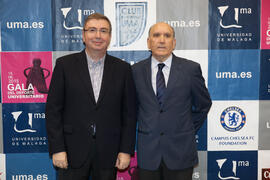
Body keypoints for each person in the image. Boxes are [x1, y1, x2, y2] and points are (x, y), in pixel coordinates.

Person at [45, 13, 137, 180]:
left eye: (103, 31)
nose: (98, 35)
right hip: (71, 152)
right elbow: (53, 111)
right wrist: (57, 148)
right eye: (92, 30)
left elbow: (129, 115)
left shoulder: (123, 69)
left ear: (109, 36)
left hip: (108, 152)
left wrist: (125, 150)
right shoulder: (64, 65)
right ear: (83, 35)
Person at [132, 22, 212, 180]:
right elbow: (131, 109)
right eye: (156, 35)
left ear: (174, 43)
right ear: (149, 42)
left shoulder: (191, 69)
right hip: (148, 154)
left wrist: (185, 128)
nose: (161, 40)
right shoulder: (135, 71)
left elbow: (203, 105)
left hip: (180, 152)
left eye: (167, 36)